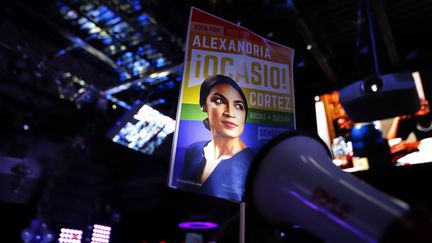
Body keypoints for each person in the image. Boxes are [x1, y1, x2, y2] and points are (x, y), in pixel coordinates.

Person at [178, 74, 254, 202]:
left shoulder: (253, 161)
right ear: (204, 105)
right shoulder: (194, 149)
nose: (230, 113)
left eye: (238, 106)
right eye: (219, 101)